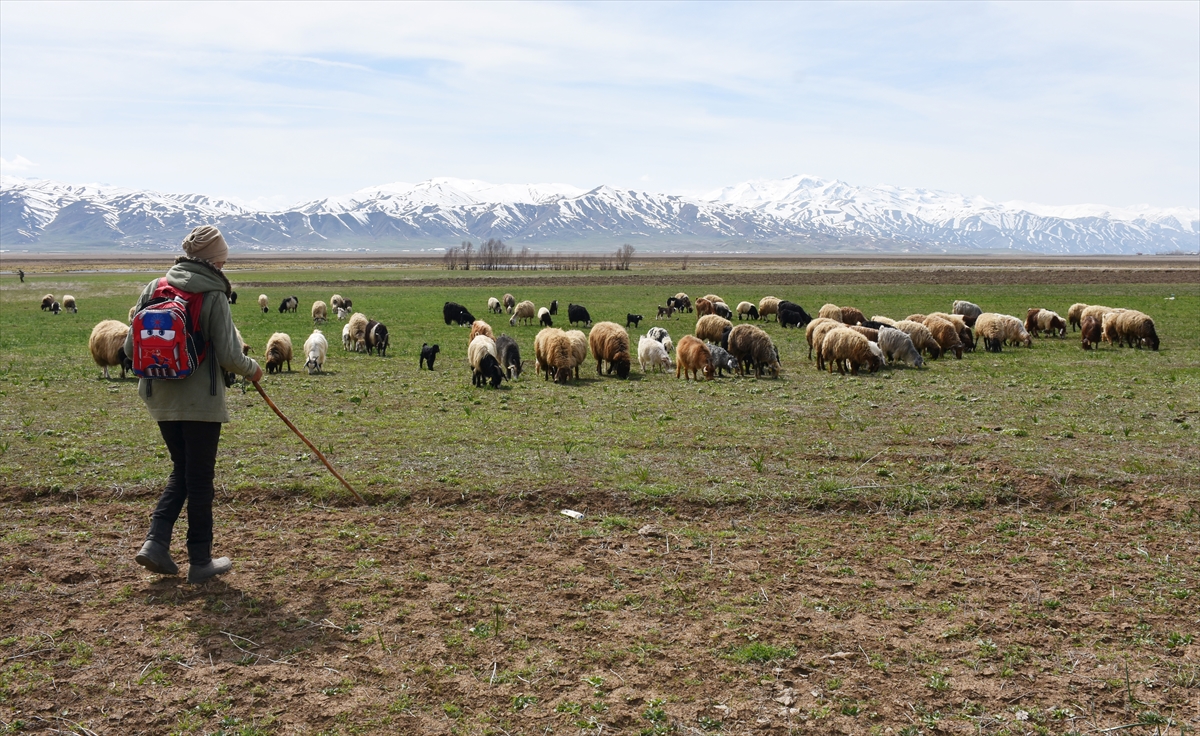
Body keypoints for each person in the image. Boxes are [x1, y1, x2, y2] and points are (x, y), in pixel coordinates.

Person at [127, 226, 262, 583]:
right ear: (216, 259)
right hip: (200, 402)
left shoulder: (155, 288)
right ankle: (200, 560)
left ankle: (156, 542)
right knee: (200, 479)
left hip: (159, 397)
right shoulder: (213, 294)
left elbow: (128, 349)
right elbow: (232, 356)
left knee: (183, 470)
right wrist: (254, 370)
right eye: (223, 256)